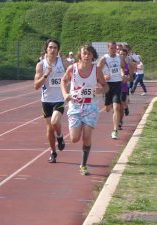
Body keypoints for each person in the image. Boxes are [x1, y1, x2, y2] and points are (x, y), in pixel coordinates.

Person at [61, 44, 109, 175]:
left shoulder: (96, 70)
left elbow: (106, 87)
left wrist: (101, 90)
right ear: (80, 55)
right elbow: (63, 81)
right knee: (74, 138)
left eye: (89, 53)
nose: (87, 56)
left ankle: (83, 164)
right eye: (84, 53)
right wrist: (65, 94)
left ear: (93, 55)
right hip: (75, 106)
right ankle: (78, 127)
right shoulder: (73, 68)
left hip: (91, 106)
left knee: (87, 136)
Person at [34, 39, 69, 163]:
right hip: (46, 100)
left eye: (55, 48)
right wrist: (45, 75)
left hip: (59, 99)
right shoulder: (41, 65)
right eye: (50, 47)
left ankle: (59, 136)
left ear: (58, 50)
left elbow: (72, 75)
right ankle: (53, 152)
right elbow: (36, 86)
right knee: (49, 129)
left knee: (55, 121)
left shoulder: (63, 62)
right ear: (46, 49)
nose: (52, 50)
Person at [97, 42, 125, 139]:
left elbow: (121, 67)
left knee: (116, 107)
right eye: (111, 48)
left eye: (114, 48)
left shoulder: (119, 58)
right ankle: (109, 105)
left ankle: (115, 130)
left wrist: (122, 74)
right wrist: (104, 77)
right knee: (108, 108)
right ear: (108, 48)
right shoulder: (104, 59)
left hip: (117, 83)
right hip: (107, 85)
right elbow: (97, 70)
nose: (113, 50)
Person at [118, 48, 132, 129]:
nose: (122, 56)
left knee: (121, 105)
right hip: (115, 87)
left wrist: (127, 77)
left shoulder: (128, 65)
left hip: (123, 87)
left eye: (124, 54)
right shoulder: (115, 64)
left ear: (126, 55)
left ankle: (120, 122)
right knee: (116, 107)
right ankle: (118, 120)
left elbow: (131, 78)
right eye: (121, 54)